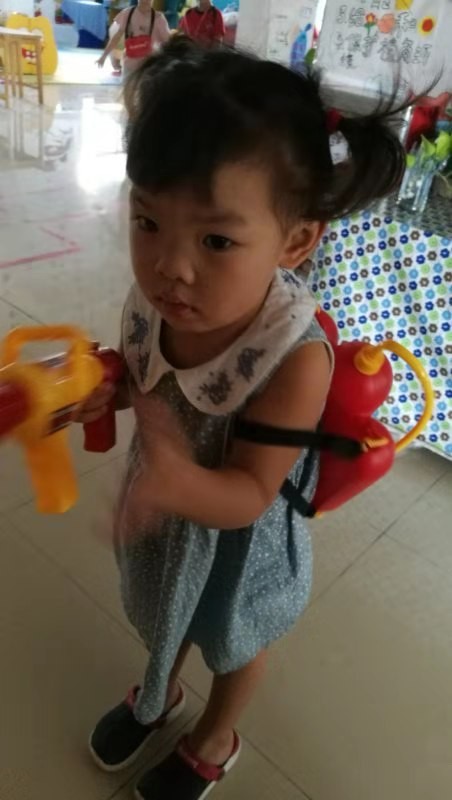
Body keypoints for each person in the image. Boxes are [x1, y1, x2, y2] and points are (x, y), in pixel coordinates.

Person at [79, 38, 405, 800]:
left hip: (239, 541)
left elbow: (252, 493)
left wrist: (173, 483)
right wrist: (111, 389)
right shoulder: (160, 302)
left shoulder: (293, 358)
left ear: (296, 240)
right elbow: (153, 381)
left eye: (216, 239)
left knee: (233, 639)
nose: (170, 266)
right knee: (165, 612)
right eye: (147, 221)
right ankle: (159, 691)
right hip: (169, 511)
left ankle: (215, 735)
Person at [97, 0, 170, 78]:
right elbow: (116, 37)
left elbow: (168, 43)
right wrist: (104, 56)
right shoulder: (127, 13)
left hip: (149, 68)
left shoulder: (159, 18)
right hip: (129, 65)